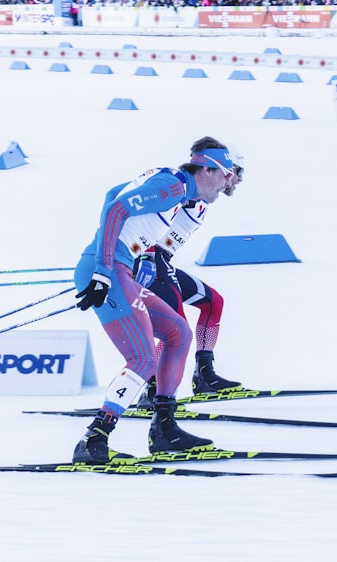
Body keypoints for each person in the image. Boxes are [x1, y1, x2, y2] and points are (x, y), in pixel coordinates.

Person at [71, 140, 236, 464]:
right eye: (225, 174)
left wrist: (136, 253)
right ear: (207, 169)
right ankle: (94, 439)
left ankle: (164, 429)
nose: (227, 183)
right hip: (108, 268)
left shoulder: (178, 189)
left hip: (119, 267)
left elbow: (112, 195)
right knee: (142, 357)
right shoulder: (173, 186)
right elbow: (115, 209)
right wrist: (103, 268)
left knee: (178, 332)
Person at [132, 137, 246, 406]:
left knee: (213, 302)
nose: (238, 181)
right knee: (176, 329)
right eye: (237, 174)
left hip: (164, 262)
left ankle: (204, 375)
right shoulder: (192, 190)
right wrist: (143, 255)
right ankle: (154, 390)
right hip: (150, 261)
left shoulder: (207, 196)